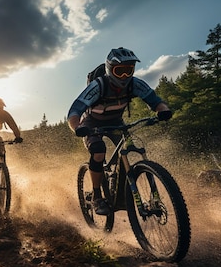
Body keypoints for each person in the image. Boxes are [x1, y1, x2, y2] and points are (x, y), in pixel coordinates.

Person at [67, 47, 173, 215]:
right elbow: (75, 110)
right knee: (98, 151)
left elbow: (155, 101)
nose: (125, 76)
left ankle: (121, 191)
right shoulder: (98, 86)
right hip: (92, 123)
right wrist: (78, 127)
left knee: (128, 150)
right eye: (120, 71)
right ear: (110, 69)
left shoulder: (135, 84)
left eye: (129, 70)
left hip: (116, 122)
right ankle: (96, 196)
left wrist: (163, 110)